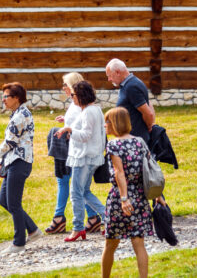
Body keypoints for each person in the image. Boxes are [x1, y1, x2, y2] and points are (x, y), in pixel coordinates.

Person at [100, 107, 154, 278]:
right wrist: (157, 195)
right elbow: (150, 169)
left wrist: (124, 199)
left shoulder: (114, 144)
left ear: (114, 123)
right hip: (140, 195)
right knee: (139, 243)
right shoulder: (140, 142)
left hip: (120, 198)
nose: (105, 125)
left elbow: (119, 172)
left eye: (107, 121)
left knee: (110, 244)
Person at [58, 80, 107, 241]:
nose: (71, 98)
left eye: (73, 95)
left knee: (76, 193)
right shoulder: (96, 110)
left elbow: (85, 135)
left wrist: (69, 130)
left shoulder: (88, 112)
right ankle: (108, 218)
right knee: (85, 192)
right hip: (92, 156)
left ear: (81, 96)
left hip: (83, 157)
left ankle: (78, 227)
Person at [0, 82, 41, 254]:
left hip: (20, 162)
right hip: (13, 161)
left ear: (16, 98)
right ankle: (33, 230)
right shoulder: (18, 113)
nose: (3, 100)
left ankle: (19, 242)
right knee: (4, 201)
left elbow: (10, 142)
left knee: (13, 203)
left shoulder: (20, 116)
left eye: (6, 96)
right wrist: (2, 162)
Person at [45, 72, 85, 235]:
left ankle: (59, 218)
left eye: (66, 85)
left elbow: (81, 126)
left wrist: (67, 127)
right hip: (70, 147)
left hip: (70, 148)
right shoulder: (77, 103)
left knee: (67, 183)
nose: (64, 88)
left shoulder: (78, 104)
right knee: (78, 187)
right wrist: (66, 120)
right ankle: (93, 218)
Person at [105, 59, 155, 144]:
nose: (109, 79)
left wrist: (149, 126)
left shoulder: (131, 87)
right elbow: (149, 103)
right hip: (132, 138)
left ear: (117, 72)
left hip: (135, 139)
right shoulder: (131, 83)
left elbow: (148, 113)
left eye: (110, 76)